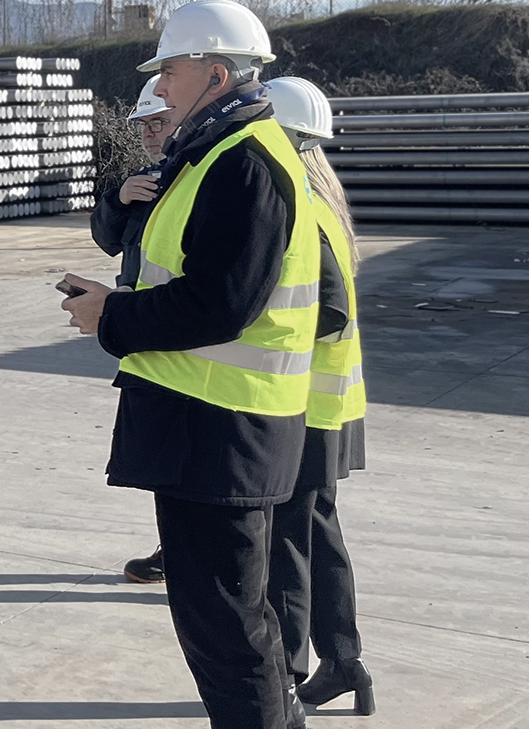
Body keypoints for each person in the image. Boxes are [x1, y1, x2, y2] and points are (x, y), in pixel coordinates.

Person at [60, 0, 321, 729]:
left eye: (170, 71)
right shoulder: (218, 152)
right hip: (210, 428)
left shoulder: (245, 162)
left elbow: (220, 304)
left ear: (215, 74)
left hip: (222, 432)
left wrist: (111, 315)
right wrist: (115, 302)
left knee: (228, 630)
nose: (160, 88)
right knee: (230, 622)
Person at [260, 77, 375, 716]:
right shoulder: (326, 201)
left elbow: (326, 310)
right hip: (330, 405)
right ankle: (344, 660)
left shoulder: (299, 203)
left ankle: (287, 673)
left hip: (303, 407)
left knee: (288, 543)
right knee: (319, 532)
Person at [89, 76, 176, 584]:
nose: (148, 132)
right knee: (165, 462)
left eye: (159, 122)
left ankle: (184, 553)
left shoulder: (200, 180)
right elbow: (107, 238)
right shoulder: (145, 179)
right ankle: (175, 549)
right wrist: (119, 198)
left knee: (184, 464)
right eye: (143, 124)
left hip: (176, 334)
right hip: (146, 333)